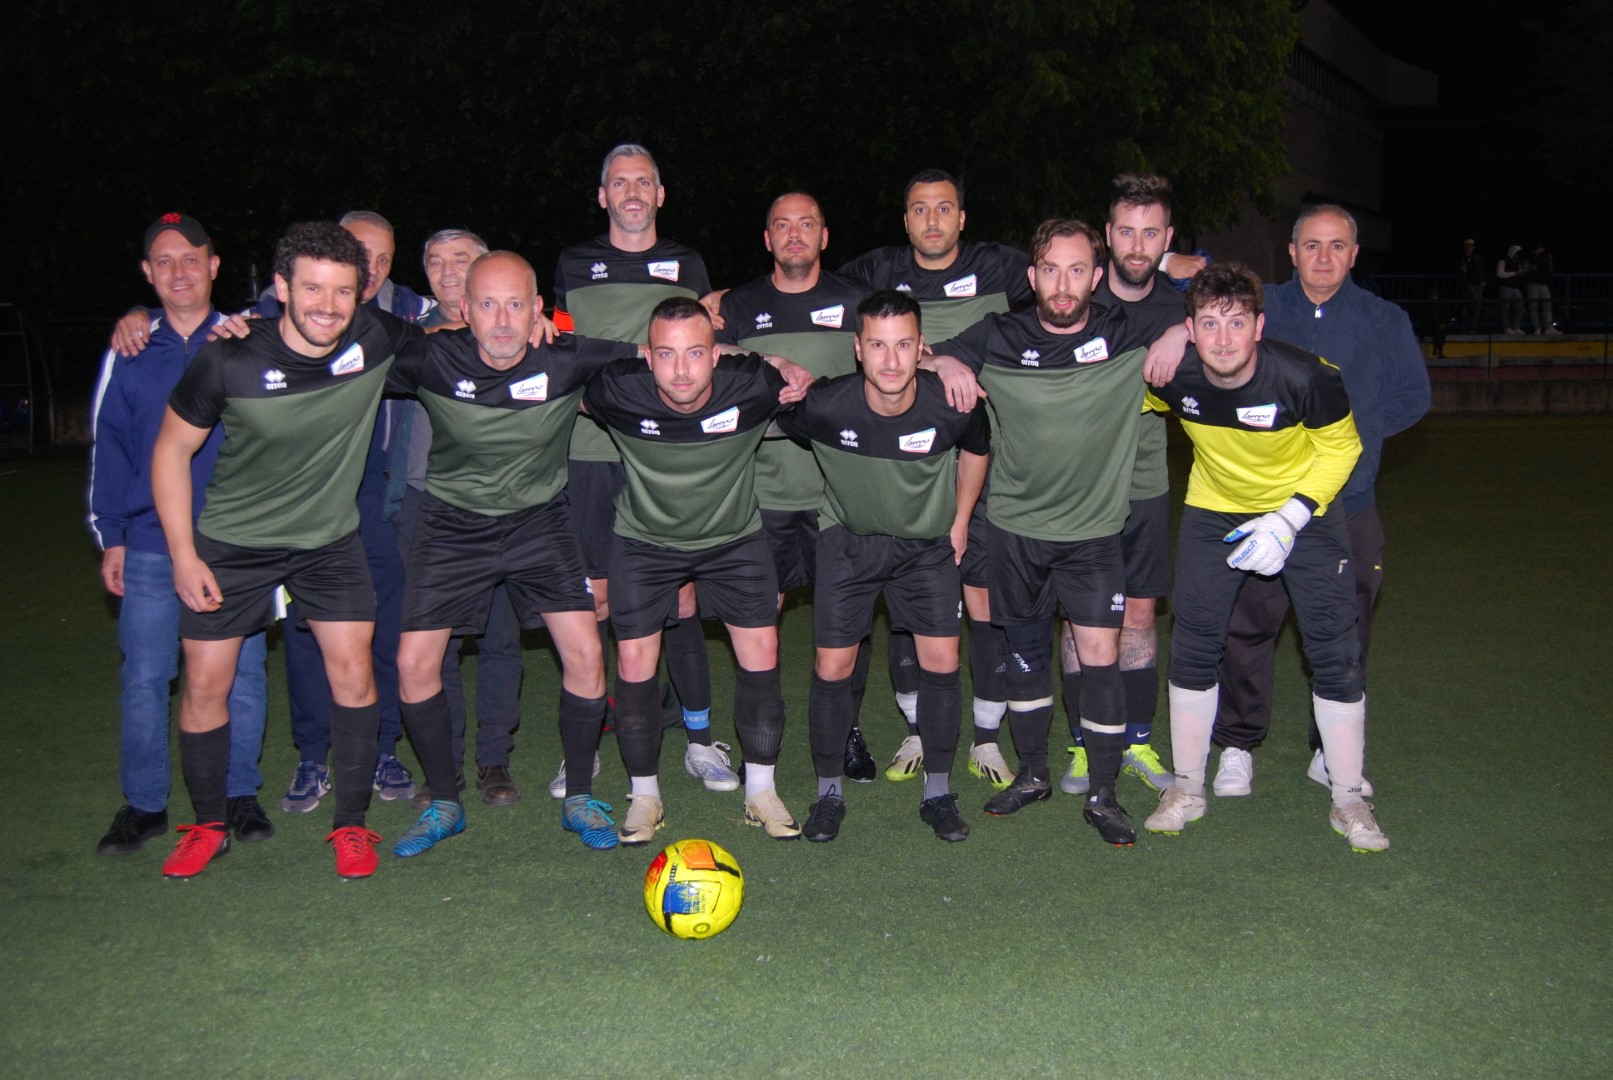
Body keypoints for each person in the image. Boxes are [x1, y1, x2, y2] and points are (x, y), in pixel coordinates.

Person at [149, 220, 422, 878]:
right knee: (204, 684)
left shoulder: (374, 336)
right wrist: (184, 555)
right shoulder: (230, 355)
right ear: (282, 287)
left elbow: (456, 336)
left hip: (328, 541)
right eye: (313, 289)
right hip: (234, 542)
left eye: (343, 291)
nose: (328, 305)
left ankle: (350, 825)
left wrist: (532, 322)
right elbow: (171, 451)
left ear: (362, 293)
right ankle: (208, 825)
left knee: (354, 676)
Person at [928, 218, 1185, 846]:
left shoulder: (1125, 331)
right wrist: (948, 363)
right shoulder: (998, 333)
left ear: (1096, 278)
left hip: (1094, 534)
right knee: (1024, 657)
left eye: (1076, 270)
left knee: (1100, 657)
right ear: (1032, 276)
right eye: (1050, 270)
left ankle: (1104, 793)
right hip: (1015, 531)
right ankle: (1034, 774)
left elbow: (1209, 320)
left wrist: (1180, 330)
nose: (1063, 284)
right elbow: (923, 355)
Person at [385, 251, 638, 854]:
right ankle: (444, 803)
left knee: (586, 653)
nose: (502, 321)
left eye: (516, 305)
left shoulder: (565, 357)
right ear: (465, 310)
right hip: (451, 525)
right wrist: (248, 327)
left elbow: (667, 352)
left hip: (540, 524)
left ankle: (580, 798)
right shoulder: (431, 356)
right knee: (414, 665)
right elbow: (331, 342)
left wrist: (766, 362)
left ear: (537, 311)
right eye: (489, 305)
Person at [1142, 262, 1387, 853]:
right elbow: (1126, 402)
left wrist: (1289, 518)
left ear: (1259, 326)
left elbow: (1343, 450)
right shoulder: (1173, 375)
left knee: (1334, 648)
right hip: (1215, 511)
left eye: (1236, 323)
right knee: (1194, 642)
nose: (1223, 339)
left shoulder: (1307, 377)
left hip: (1303, 512)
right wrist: (1161, 344)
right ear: (1191, 330)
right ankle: (1186, 788)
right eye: (1208, 324)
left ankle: (1348, 798)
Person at [1210, 205, 1430, 797]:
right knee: (1247, 628)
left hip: (1346, 505)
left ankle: (1329, 752)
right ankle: (1237, 745)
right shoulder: (1262, 309)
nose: (1324, 257)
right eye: (1312, 245)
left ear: (1354, 254)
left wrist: (1358, 439)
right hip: (1265, 500)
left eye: (1336, 246)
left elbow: (1411, 397)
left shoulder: (1383, 320)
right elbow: (1211, 343)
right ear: (1292, 252)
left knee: (1344, 634)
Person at [583, 298, 811, 844]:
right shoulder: (615, 389)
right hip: (644, 542)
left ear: (716, 355)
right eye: (666, 354)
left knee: (763, 650)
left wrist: (784, 364)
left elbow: (825, 394)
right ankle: (645, 797)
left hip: (733, 539)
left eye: (694, 353)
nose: (681, 370)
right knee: (634, 661)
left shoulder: (753, 384)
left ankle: (761, 792)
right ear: (647, 356)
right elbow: (559, 377)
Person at [837, 169, 1031, 790]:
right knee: (909, 607)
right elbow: (805, 287)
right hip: (910, 467)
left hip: (983, 460)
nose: (932, 220)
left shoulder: (999, 266)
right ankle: (919, 730)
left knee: (984, 603)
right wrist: (724, 301)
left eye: (944, 208)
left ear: (962, 218)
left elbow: (1075, 277)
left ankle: (986, 737)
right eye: (919, 209)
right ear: (905, 220)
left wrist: (1172, 265)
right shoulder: (878, 268)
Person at [776, 290, 988, 842]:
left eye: (902, 345)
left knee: (943, 661)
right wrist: (772, 362)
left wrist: (961, 518)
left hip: (925, 547)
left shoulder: (952, 403)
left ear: (921, 348)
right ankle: (828, 794)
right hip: (850, 543)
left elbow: (978, 447)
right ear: (857, 348)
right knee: (832, 666)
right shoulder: (826, 404)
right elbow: (763, 403)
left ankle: (938, 794)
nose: (890, 360)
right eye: (877, 345)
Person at [89, 213, 271, 856]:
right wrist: (111, 536)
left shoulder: (246, 338)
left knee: (242, 676)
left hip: (233, 542)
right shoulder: (130, 349)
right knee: (146, 679)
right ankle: (145, 805)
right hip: (149, 544)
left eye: (191, 257)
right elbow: (110, 446)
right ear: (148, 273)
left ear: (214, 265)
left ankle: (237, 794)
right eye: (163, 261)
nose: (179, 271)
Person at [550, 143, 725, 796]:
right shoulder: (573, 264)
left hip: (665, 454)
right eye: (619, 182)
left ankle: (701, 740)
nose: (631, 192)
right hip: (592, 449)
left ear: (659, 194)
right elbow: (562, 344)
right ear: (602, 196)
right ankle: (592, 739)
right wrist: (628, 350)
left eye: (643, 181)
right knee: (595, 599)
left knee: (679, 598)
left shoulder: (687, 263)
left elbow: (703, 345)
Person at [714, 191, 871, 771]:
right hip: (764, 492)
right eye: (782, 225)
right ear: (767, 239)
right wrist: (762, 362)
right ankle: (762, 744)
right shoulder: (739, 303)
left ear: (824, 236)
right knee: (759, 625)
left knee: (847, 622)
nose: (795, 233)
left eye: (807, 223)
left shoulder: (855, 300)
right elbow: (707, 358)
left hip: (839, 493)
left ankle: (847, 730)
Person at [1056, 174, 1192, 799]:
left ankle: (1136, 739)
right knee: (1078, 616)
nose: (1138, 246)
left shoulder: (1179, 308)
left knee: (1138, 613)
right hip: (1077, 484)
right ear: (1107, 236)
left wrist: (1183, 329)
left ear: (1167, 239)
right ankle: (1084, 743)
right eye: (1127, 232)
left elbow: (1235, 313)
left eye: (1151, 233)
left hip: (1142, 482)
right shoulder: (1074, 294)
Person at [391, 228, 528, 810]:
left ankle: (494, 759)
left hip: (505, 506)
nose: (448, 271)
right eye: (435, 261)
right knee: (435, 645)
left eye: (462, 260)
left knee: (500, 639)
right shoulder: (408, 332)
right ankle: (441, 765)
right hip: (427, 504)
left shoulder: (520, 329)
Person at [1524, 242, 1558, 335]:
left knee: (1547, 306)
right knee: (1533, 307)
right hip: (1533, 284)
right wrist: (1531, 269)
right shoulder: (1529, 257)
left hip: (1544, 284)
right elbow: (1525, 270)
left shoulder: (1546, 256)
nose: (1542, 250)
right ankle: (1537, 328)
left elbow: (1550, 269)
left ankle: (1548, 328)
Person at [1495, 244, 1525, 335]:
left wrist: (1521, 273)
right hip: (1505, 287)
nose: (1518, 255)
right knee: (1505, 308)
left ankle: (1516, 327)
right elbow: (1499, 274)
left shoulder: (1518, 261)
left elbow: (1519, 271)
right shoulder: (1503, 261)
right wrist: (1514, 273)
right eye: (1517, 253)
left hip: (1515, 287)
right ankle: (1507, 328)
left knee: (1519, 307)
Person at [1458, 239, 1485, 333]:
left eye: (1471, 246)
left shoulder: (1477, 257)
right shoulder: (1462, 258)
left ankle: (1471, 328)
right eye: (1467, 246)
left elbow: (1481, 269)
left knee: (1476, 307)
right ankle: (1465, 327)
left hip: (1478, 284)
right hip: (1468, 283)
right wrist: (1461, 270)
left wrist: (1483, 280)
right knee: (1471, 303)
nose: (1469, 248)